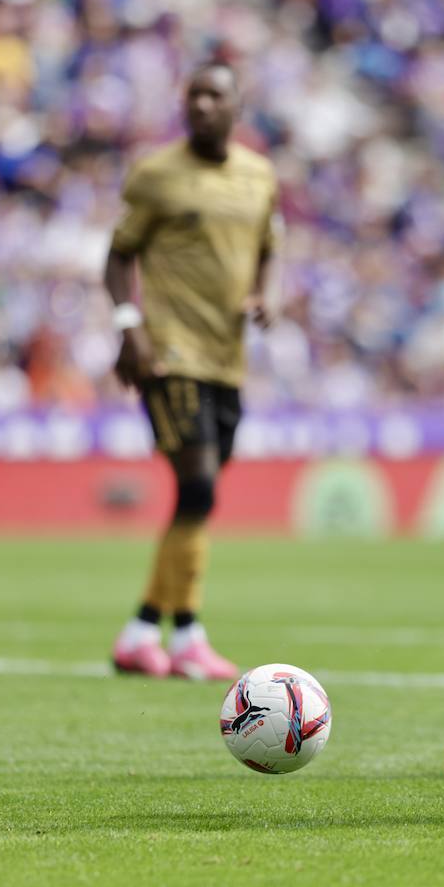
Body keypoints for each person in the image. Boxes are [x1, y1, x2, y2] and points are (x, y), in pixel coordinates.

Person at [103, 62, 279, 680]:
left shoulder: (260, 176)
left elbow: (267, 246)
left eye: (215, 95)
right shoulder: (157, 175)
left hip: (228, 358)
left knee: (196, 498)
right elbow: (118, 255)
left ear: (236, 106)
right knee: (199, 487)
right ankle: (190, 632)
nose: (202, 105)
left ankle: (144, 629)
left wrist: (262, 294)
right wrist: (130, 325)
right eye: (194, 95)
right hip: (169, 351)